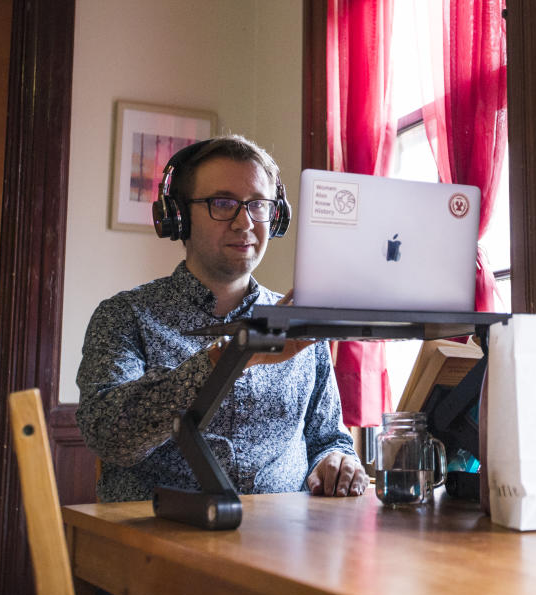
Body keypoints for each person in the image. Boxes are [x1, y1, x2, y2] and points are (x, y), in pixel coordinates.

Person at [76, 134, 367, 503]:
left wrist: (336, 460)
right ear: (179, 216)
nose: (244, 222)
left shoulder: (298, 322)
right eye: (223, 203)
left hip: (286, 544)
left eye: (258, 205)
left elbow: (328, 438)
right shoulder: (124, 316)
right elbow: (111, 436)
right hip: (156, 543)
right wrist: (236, 355)